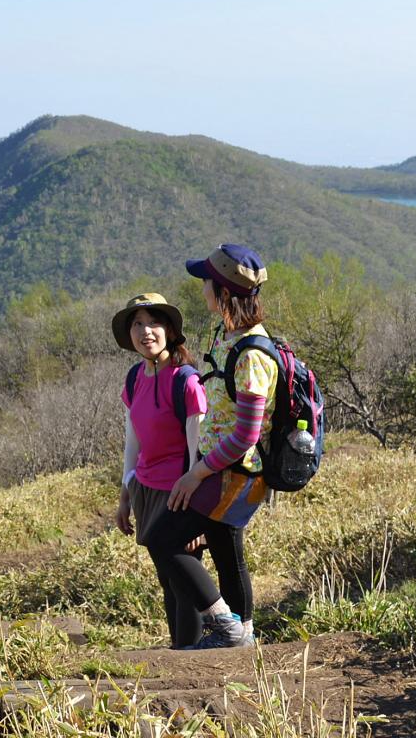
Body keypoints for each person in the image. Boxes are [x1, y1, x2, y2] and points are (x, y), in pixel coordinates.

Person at [142, 244, 277, 649]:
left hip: (232, 473)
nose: (201, 288)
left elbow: (245, 436)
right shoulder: (226, 333)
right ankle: (243, 636)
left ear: (222, 292)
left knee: (162, 539)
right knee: (225, 549)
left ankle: (224, 627)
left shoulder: (252, 353)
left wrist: (196, 471)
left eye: (206, 281)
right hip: (221, 470)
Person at [109, 292, 244, 650]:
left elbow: (195, 449)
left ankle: (194, 648)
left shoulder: (186, 380)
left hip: (181, 490)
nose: (145, 331)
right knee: (167, 578)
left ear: (170, 330)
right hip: (146, 488)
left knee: (181, 578)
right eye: (137, 324)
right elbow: (132, 440)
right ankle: (182, 648)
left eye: (153, 322)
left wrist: (194, 512)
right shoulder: (135, 377)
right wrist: (125, 492)